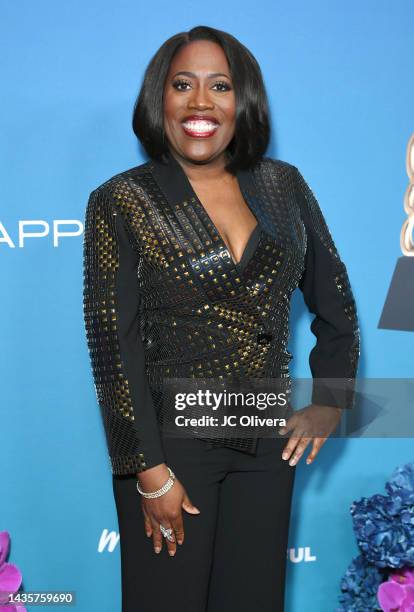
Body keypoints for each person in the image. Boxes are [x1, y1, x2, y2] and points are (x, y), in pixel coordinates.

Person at [82, 25, 360, 612]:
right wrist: (148, 469)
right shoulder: (124, 199)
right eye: (183, 85)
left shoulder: (283, 186)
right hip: (172, 446)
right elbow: (115, 345)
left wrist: (331, 399)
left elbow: (335, 300)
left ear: (244, 101)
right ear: (160, 98)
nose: (201, 103)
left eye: (220, 86)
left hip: (266, 437)